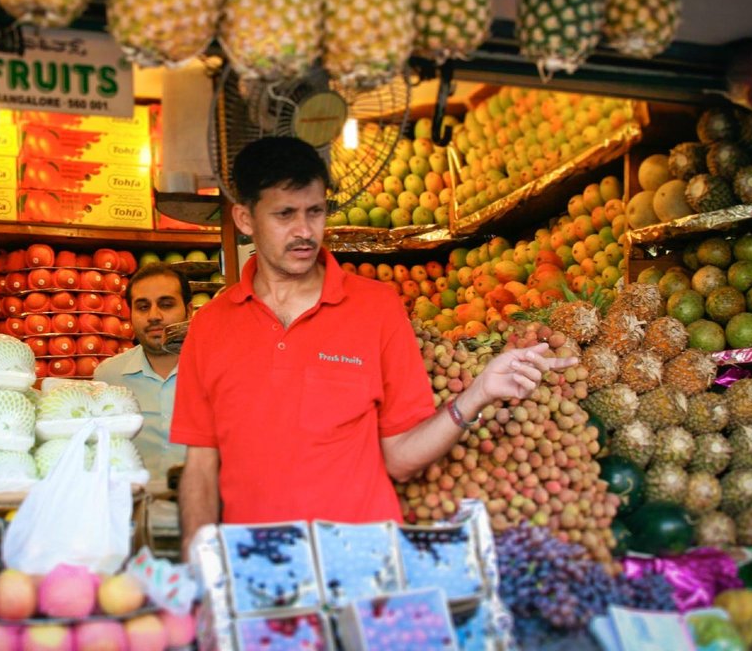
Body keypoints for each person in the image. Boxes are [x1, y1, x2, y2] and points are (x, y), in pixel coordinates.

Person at [170, 136, 575, 550]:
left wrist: (476, 395)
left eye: (315, 212)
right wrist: (198, 557)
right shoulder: (211, 327)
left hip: (366, 562)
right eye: (284, 214)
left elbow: (400, 460)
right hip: (258, 567)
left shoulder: (376, 308)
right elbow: (200, 465)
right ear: (244, 219)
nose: (305, 231)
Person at [93, 262, 193, 486]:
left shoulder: (216, 371)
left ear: (188, 311)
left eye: (166, 305)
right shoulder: (109, 377)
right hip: (131, 514)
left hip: (203, 514)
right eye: (143, 307)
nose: (154, 316)